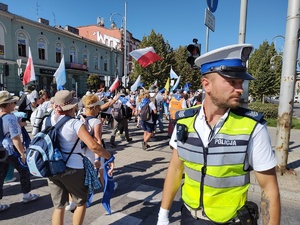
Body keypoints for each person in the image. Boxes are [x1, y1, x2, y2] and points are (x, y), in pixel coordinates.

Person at [157, 44, 280, 225]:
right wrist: (163, 214)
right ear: (207, 84)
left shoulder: (252, 127)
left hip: (230, 221)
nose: (240, 89)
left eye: (241, 83)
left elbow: (269, 189)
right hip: (189, 217)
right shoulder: (184, 121)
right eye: (232, 82)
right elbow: (175, 169)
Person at [42, 90, 114, 225]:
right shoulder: (75, 124)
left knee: (59, 206)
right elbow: (94, 146)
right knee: (81, 202)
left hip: (52, 167)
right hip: (73, 167)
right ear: (72, 106)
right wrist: (109, 157)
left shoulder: (47, 120)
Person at [0, 91, 40, 212]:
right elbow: (15, 138)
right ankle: (26, 195)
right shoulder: (11, 118)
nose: (15, 104)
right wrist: (22, 153)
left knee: (1, 176)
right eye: (13, 102)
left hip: (0, 150)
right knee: (24, 169)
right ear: (8, 105)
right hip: (10, 150)